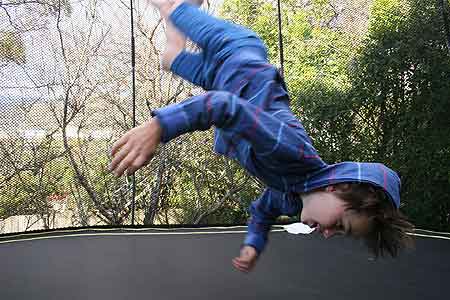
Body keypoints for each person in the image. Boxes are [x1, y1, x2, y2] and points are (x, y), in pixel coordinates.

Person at [109, 0, 414, 273]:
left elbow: (263, 210)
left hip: (220, 78)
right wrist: (159, 127)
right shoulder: (292, 152)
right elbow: (221, 107)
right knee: (171, 5)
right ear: (338, 187)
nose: (328, 233)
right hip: (239, 52)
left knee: (171, 57)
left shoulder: (293, 198)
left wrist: (254, 243)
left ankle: (179, 25)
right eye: (340, 225)